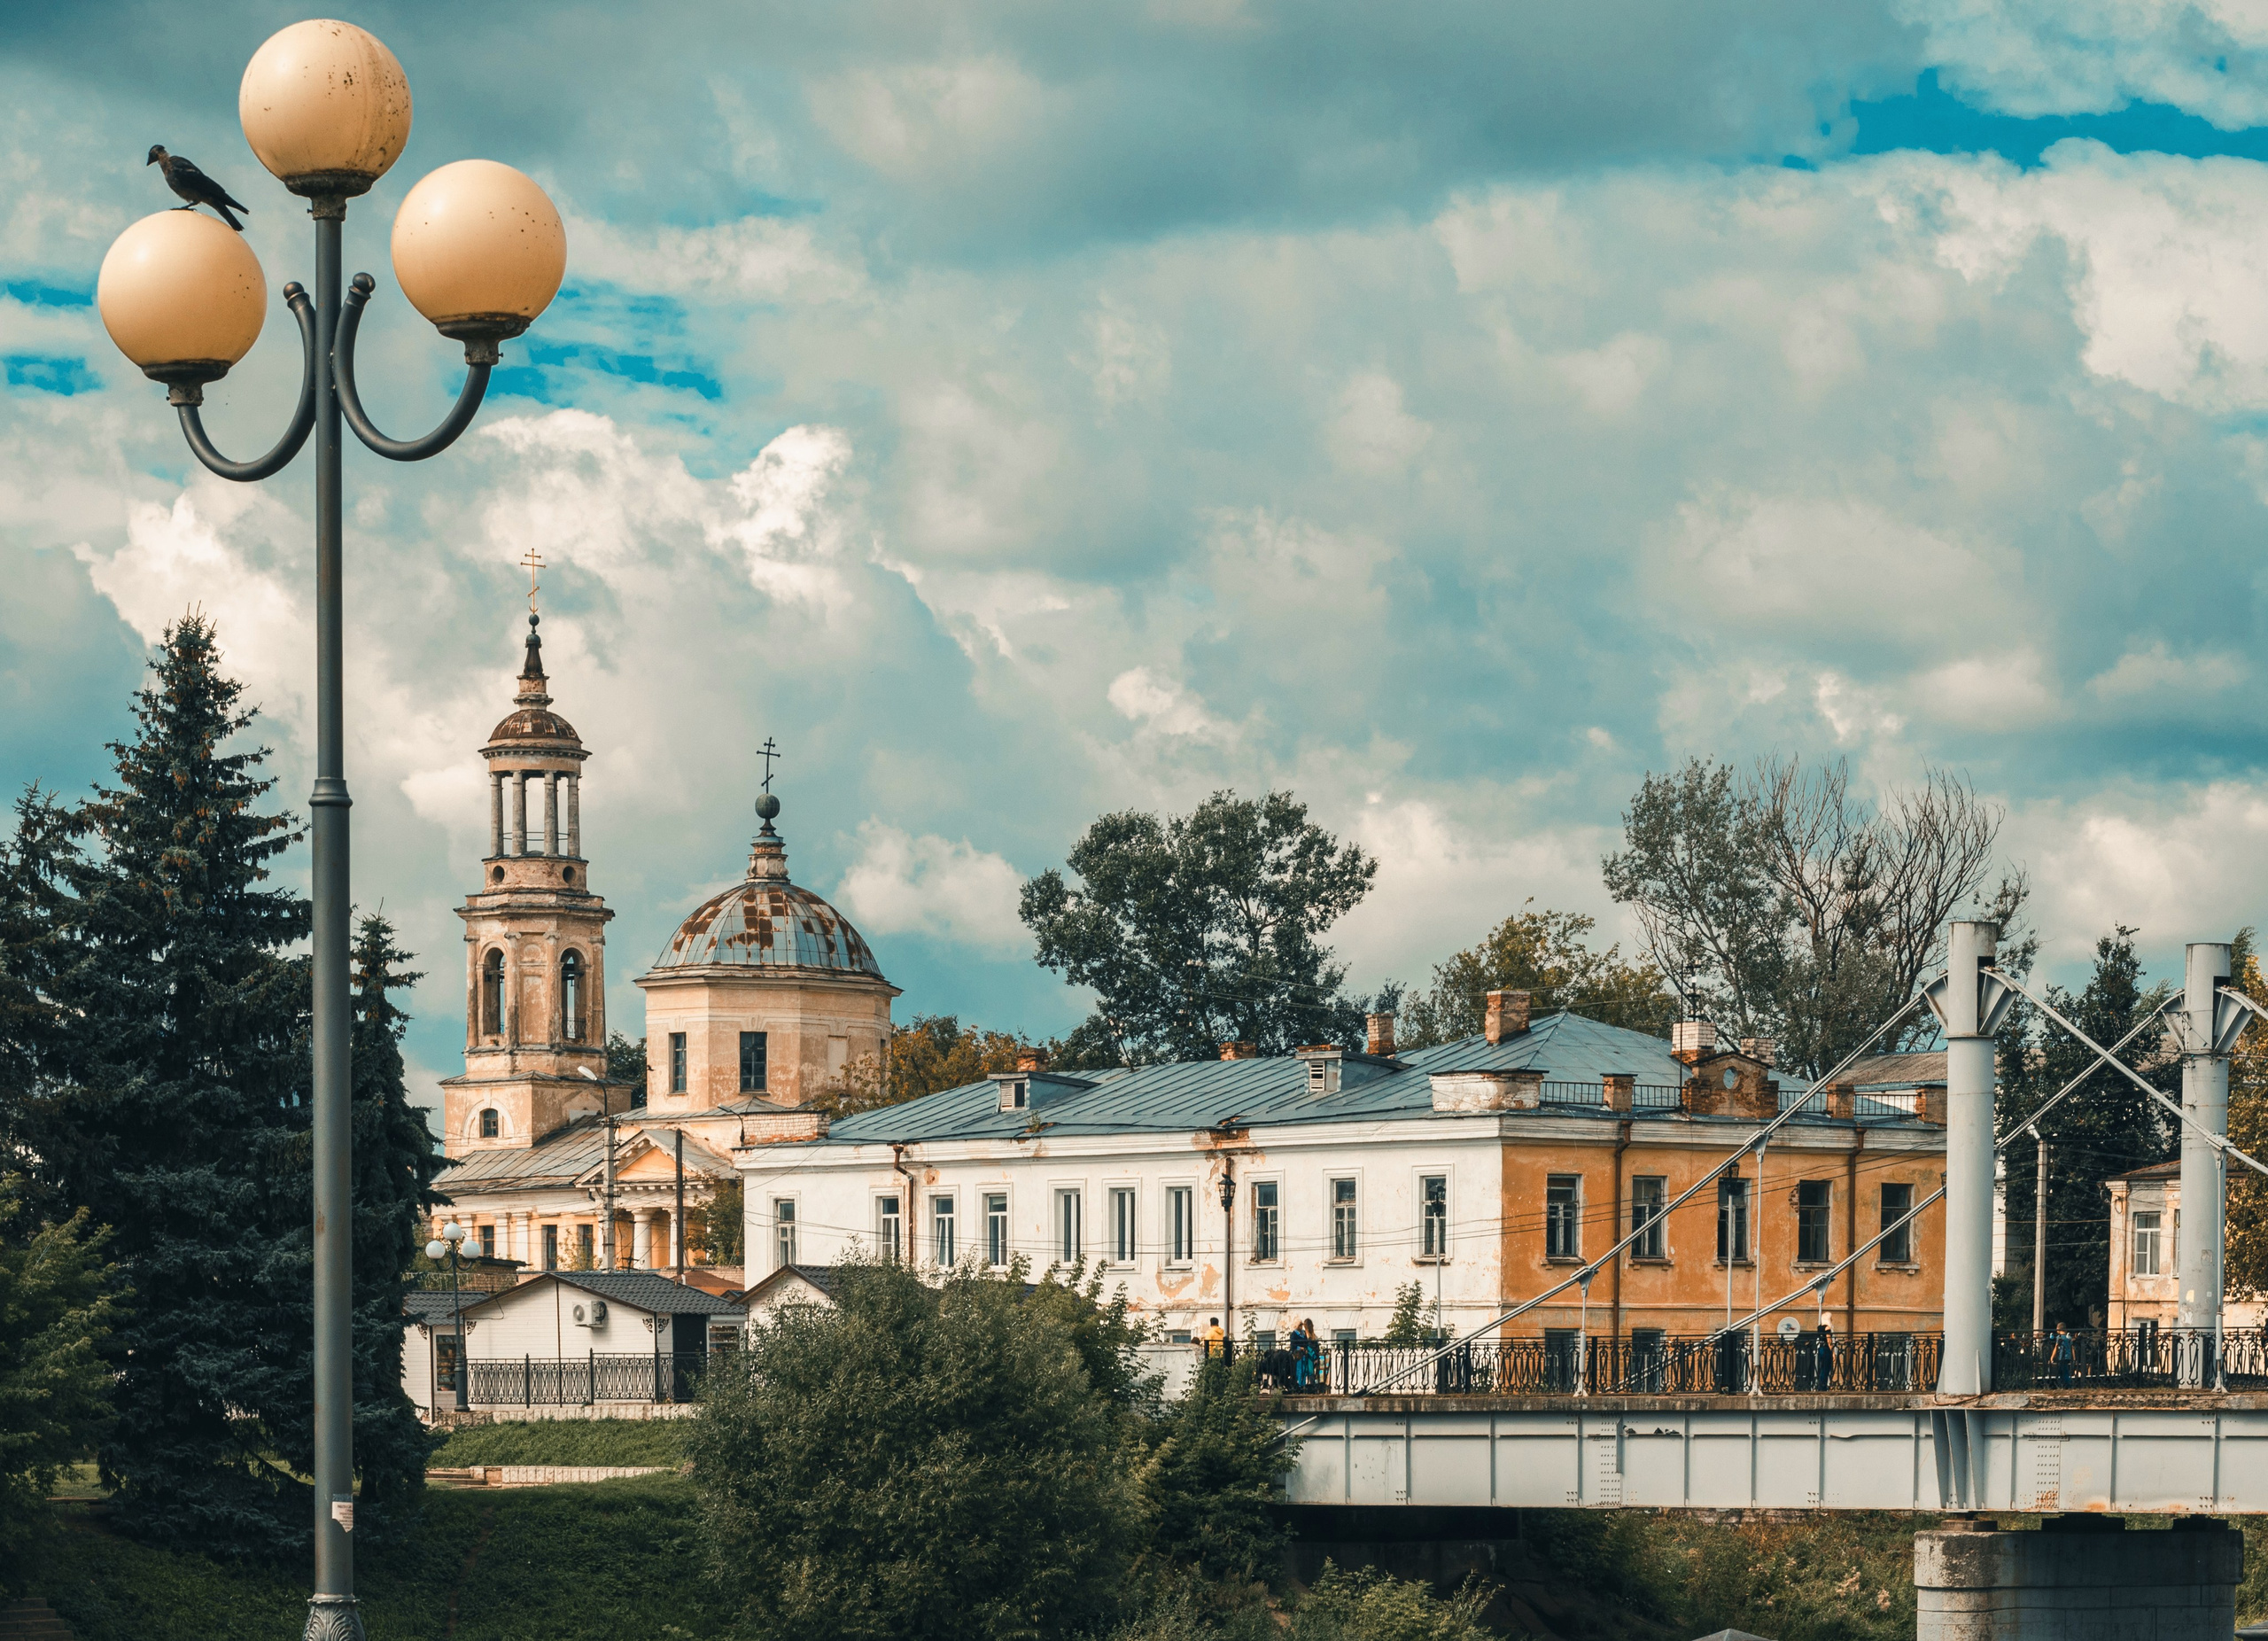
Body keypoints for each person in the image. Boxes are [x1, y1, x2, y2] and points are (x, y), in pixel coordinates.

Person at [2052, 1320, 2075, 1388]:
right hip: (2068, 1356)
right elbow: (2072, 1348)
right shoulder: (2069, 1337)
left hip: (2061, 1356)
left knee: (2063, 1371)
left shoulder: (2059, 1337)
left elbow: (2056, 1347)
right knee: (2065, 1370)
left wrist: (2052, 1357)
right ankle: (2065, 1384)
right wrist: (2074, 1357)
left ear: (2058, 1329)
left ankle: (2066, 1385)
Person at [1814, 1319, 1836, 1391]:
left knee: (1822, 1368)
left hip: (1820, 1349)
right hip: (1826, 1349)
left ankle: (1820, 1385)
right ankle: (1823, 1386)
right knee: (1826, 1368)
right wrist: (1833, 1352)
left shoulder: (1819, 1327)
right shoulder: (1827, 1328)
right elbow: (1829, 1340)